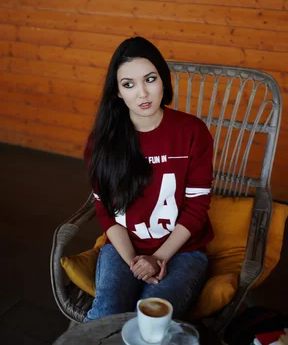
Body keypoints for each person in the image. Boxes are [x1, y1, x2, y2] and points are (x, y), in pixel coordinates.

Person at [84, 36, 214, 321]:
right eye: (128, 84)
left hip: (183, 250)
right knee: (106, 314)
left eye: (150, 79)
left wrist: (159, 258)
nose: (142, 93)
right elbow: (106, 212)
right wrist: (134, 260)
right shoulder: (102, 142)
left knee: (151, 318)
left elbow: (196, 209)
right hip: (123, 248)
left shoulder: (192, 132)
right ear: (117, 92)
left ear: (163, 81)